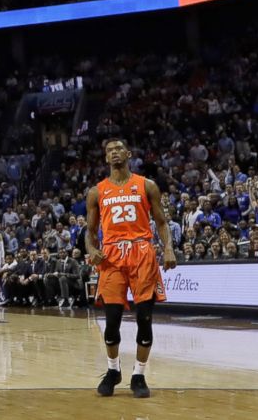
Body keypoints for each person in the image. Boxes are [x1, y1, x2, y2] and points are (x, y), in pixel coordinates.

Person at [86, 138, 177, 399]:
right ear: (106, 158)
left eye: (118, 149)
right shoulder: (97, 191)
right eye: (109, 150)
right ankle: (113, 370)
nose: (114, 153)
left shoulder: (146, 185)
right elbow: (90, 232)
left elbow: (161, 222)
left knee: (144, 317)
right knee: (112, 321)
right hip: (112, 255)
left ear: (128, 154)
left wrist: (168, 248)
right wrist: (92, 250)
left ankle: (139, 374)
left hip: (141, 252)